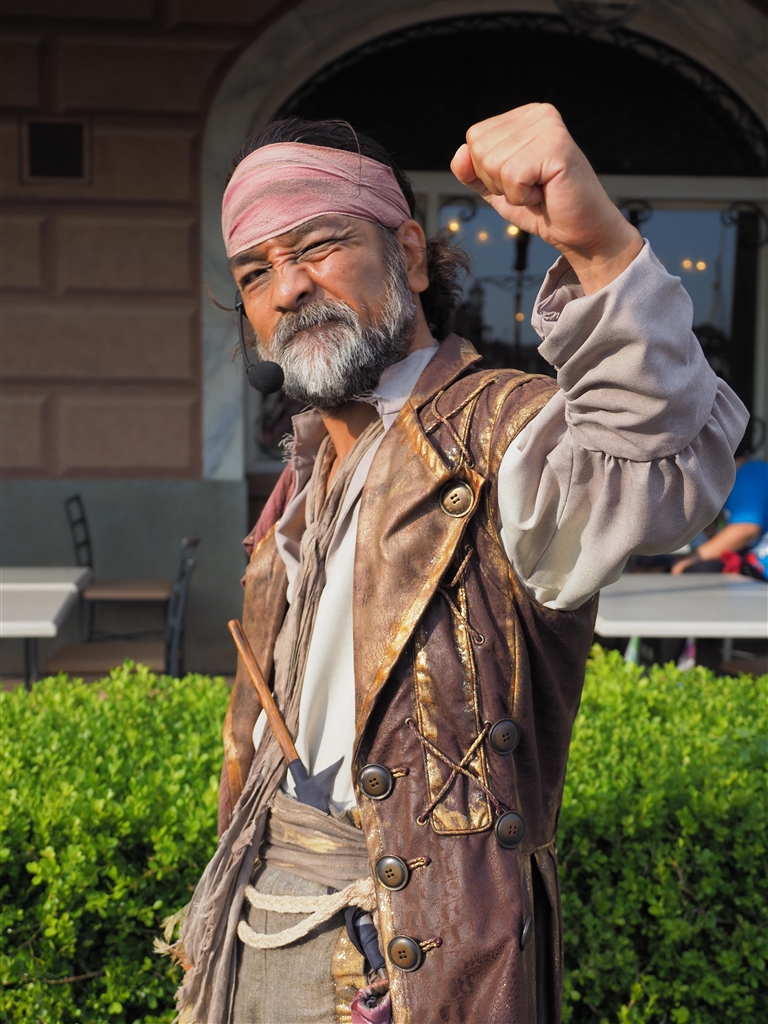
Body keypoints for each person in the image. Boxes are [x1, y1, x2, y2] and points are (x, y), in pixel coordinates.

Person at [168, 105, 747, 1024]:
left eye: (318, 246)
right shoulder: (306, 473)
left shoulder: (501, 435)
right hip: (254, 931)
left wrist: (599, 248)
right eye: (255, 272)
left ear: (409, 253)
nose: (288, 287)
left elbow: (649, 461)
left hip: (404, 958)